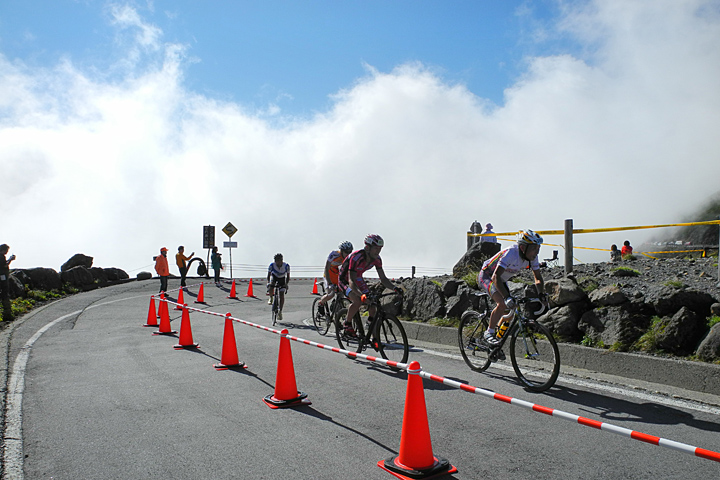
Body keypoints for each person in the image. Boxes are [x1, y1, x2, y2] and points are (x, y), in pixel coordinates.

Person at [477, 230, 545, 346]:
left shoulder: (533, 257)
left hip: (501, 280)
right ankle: (489, 332)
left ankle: (495, 341)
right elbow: (496, 276)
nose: (536, 252)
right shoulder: (511, 253)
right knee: (502, 303)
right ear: (523, 247)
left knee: (512, 312)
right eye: (534, 248)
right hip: (488, 276)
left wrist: (541, 294)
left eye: (538, 248)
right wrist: (506, 297)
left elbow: (537, 277)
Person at [337, 234, 402, 335]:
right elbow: (351, 281)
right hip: (345, 279)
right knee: (357, 301)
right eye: (376, 248)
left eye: (380, 249)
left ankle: (370, 323)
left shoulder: (377, 259)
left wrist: (395, 288)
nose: (378, 251)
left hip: (357, 278)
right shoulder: (356, 257)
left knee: (373, 302)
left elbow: (383, 279)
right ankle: (347, 323)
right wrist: (360, 295)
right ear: (367, 247)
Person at [316, 241, 353, 317]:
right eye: (346, 252)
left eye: (350, 252)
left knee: (342, 293)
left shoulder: (349, 258)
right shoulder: (334, 254)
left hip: (336, 274)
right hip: (328, 274)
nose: (348, 254)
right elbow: (326, 268)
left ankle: (336, 311)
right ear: (342, 251)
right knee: (331, 294)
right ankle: (321, 303)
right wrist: (329, 283)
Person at [267, 253, 290, 320]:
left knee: (281, 295)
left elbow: (288, 277)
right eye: (277, 261)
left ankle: (280, 311)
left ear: (282, 261)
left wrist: (286, 284)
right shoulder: (272, 265)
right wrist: (268, 282)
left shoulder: (286, 266)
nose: (279, 263)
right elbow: (268, 275)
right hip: (274, 277)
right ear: (275, 261)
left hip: (282, 279)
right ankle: (271, 297)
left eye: (280, 261)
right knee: (271, 286)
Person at [1, 244, 16, 321]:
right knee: (4, 292)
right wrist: (10, 259)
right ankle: (7, 312)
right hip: (2, 277)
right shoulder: (1, 256)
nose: (7, 252)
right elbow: (4, 265)